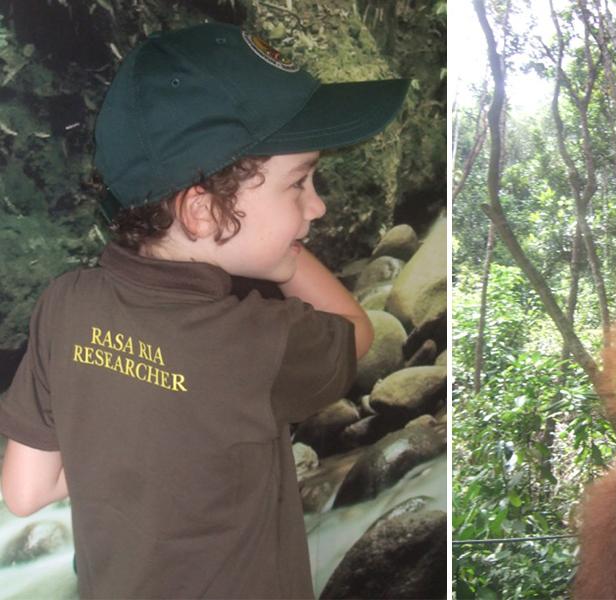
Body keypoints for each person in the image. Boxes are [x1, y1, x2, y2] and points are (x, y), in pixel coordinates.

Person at [0, 22, 408, 599]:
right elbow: (355, 329)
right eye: (299, 183)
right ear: (202, 213)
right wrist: (289, 256)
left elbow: (24, 493)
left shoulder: (64, 304)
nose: (316, 205)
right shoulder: (262, 340)